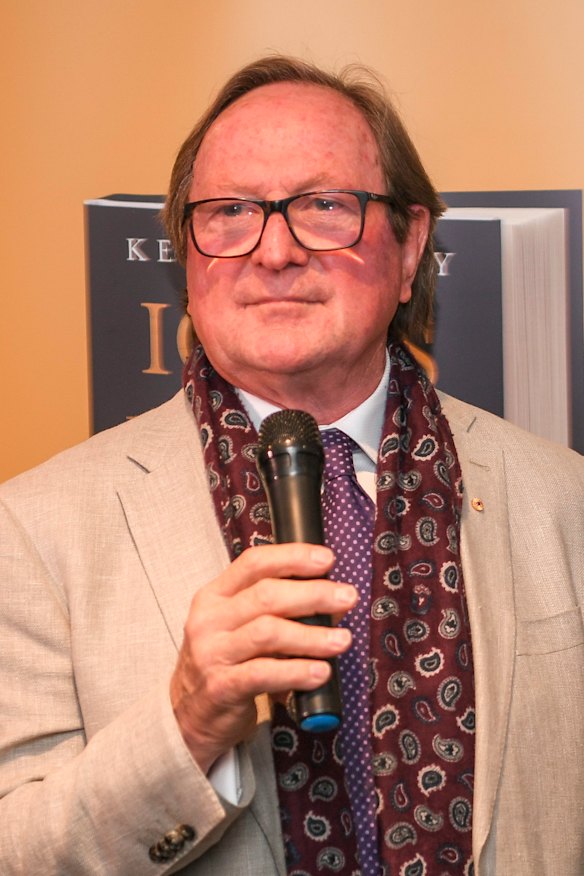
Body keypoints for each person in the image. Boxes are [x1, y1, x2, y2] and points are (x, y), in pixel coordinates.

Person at [0, 55, 582, 876]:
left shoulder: (566, 501)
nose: (274, 251)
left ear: (410, 244)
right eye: (230, 211)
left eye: (321, 205)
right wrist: (188, 722)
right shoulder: (33, 531)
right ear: (186, 256)